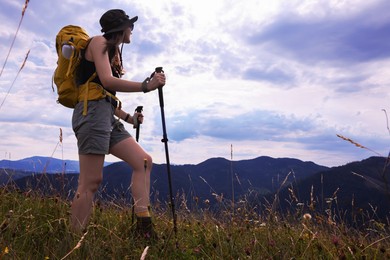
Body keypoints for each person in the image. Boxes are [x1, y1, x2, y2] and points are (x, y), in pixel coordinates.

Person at [70, 9, 166, 239]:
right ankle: (73, 240)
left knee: (143, 162)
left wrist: (129, 119)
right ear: (120, 28)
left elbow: (105, 95)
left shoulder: (111, 53)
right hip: (91, 115)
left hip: (104, 115)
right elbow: (107, 81)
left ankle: (144, 229)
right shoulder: (98, 42)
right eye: (129, 25)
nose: (132, 29)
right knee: (90, 182)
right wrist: (146, 86)